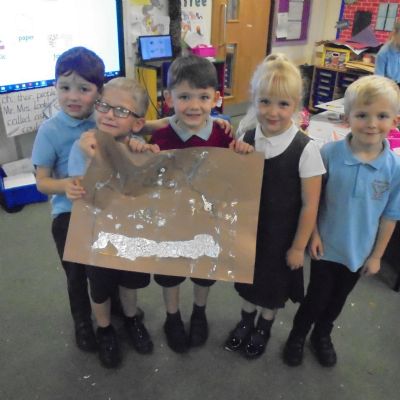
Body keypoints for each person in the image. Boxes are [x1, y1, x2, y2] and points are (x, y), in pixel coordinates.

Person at [283, 75, 400, 368]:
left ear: (395, 121)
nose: (371, 123)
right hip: (326, 247)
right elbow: (314, 200)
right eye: (362, 115)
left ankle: (322, 335)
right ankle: (298, 335)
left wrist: (377, 256)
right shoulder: (329, 154)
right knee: (315, 298)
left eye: (382, 116)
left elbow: (390, 215)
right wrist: (314, 234)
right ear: (347, 118)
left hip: (359, 252)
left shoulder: (394, 168)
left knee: (337, 301)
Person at [146, 54, 253, 353]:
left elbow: (234, 173)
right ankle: (172, 317)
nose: (194, 105)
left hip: (208, 220)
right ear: (168, 98)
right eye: (184, 97)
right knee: (169, 270)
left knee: (204, 269)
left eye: (203, 97)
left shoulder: (222, 133)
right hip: (171, 222)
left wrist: (242, 151)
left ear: (216, 98)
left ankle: (199, 312)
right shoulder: (161, 135)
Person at [224, 55, 326, 359]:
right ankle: (246, 321)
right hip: (252, 233)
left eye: (283, 104)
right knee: (249, 282)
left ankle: (264, 327)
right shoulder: (247, 137)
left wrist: (298, 247)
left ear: (296, 104)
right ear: (254, 99)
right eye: (265, 101)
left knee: (273, 288)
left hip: (282, 237)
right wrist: (236, 157)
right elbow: (234, 187)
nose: (273, 111)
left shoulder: (306, 149)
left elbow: (310, 205)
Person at [68, 77, 156, 368]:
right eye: (104, 105)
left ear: (137, 123)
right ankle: (105, 329)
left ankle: (131, 320)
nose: (108, 114)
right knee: (100, 286)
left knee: (130, 282)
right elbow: (82, 191)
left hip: (129, 232)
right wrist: (93, 156)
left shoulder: (136, 146)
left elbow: (141, 189)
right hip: (96, 234)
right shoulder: (83, 146)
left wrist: (143, 153)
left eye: (120, 111)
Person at [32, 46, 105, 353]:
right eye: (64, 88)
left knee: (106, 267)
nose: (72, 97)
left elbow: (138, 128)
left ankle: (110, 310)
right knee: (76, 274)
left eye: (83, 89)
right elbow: (41, 182)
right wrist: (64, 185)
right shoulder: (50, 131)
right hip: (68, 214)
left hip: (103, 210)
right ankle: (82, 321)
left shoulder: (104, 121)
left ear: (99, 92)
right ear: (55, 87)